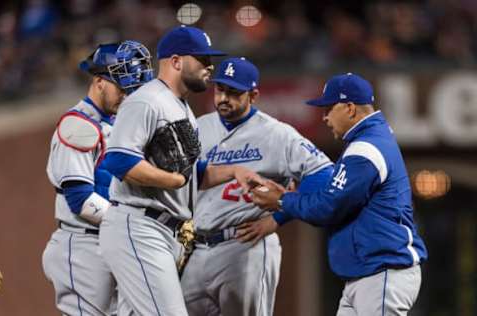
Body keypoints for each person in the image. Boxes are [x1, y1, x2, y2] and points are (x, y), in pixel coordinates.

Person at [99, 27, 264, 316]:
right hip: (138, 226)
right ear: (176, 61)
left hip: (163, 231)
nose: (209, 67)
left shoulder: (182, 108)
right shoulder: (145, 100)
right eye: (201, 59)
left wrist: (234, 171)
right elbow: (119, 160)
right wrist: (172, 179)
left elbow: (191, 174)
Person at [251, 73, 428, 316]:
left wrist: (281, 201)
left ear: (350, 108)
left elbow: (329, 207)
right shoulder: (370, 140)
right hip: (368, 274)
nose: (324, 117)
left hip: (383, 272)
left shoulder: (366, 148)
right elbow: (335, 196)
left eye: (328, 108)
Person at [180, 57, 333, 316]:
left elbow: (324, 175)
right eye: (220, 89)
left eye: (234, 92)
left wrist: (280, 216)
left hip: (245, 246)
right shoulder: (199, 127)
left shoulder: (277, 134)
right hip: (198, 247)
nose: (224, 98)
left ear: (254, 95)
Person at [42, 40, 154, 315]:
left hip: (113, 242)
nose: (128, 95)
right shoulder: (78, 125)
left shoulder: (120, 122)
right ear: (99, 81)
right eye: (122, 86)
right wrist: (136, 225)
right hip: (84, 247)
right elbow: (80, 199)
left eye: (133, 88)